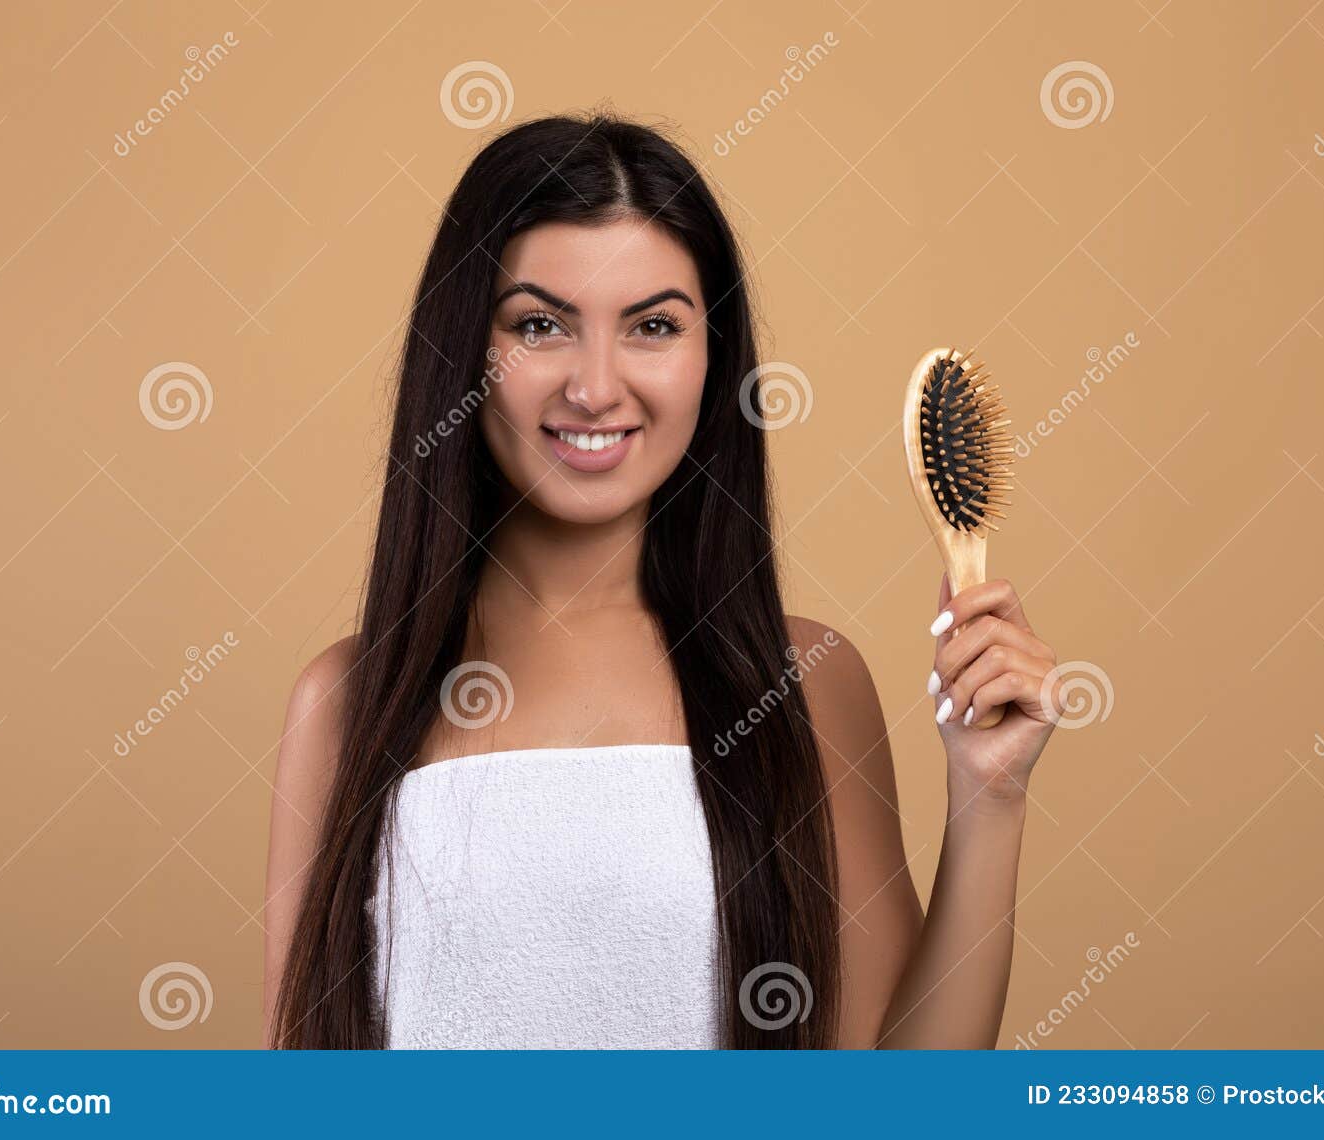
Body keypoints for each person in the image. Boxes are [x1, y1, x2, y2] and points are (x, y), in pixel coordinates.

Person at [263, 114, 1062, 1049]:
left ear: (712, 358)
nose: (596, 387)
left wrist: (989, 799)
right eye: (540, 325)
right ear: (464, 355)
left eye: (652, 326)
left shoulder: (806, 683)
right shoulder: (348, 704)